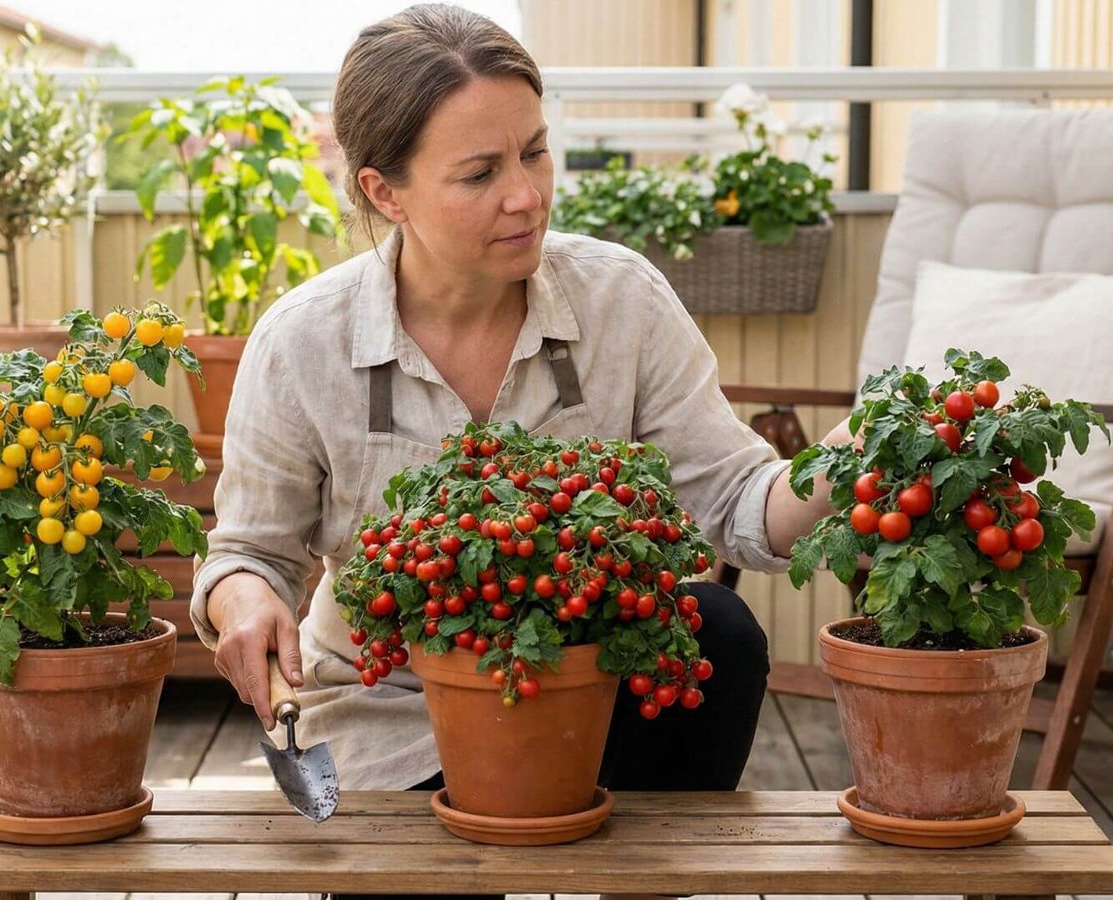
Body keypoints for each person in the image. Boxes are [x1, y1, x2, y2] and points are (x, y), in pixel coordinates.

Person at [189, 5, 848, 899]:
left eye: (535, 151)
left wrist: (853, 460)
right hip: (391, 715)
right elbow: (248, 552)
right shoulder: (303, 342)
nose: (527, 194)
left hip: (587, 695)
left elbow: (735, 498)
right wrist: (244, 604)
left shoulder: (620, 300)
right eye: (480, 172)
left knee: (716, 631)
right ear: (386, 192)